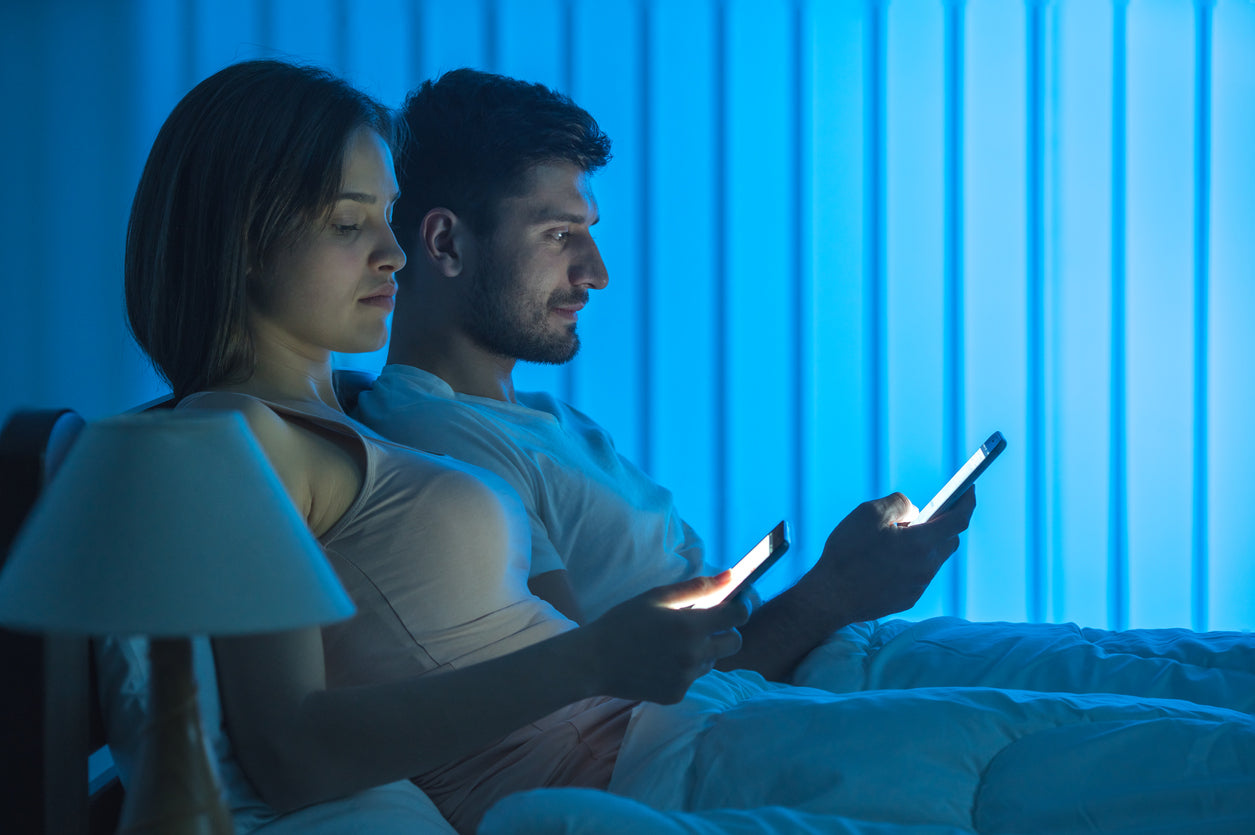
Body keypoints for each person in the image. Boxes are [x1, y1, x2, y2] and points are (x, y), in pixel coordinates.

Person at [122, 60, 1255, 835]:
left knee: (1153, 731)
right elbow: (290, 752)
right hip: (651, 759)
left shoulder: (343, 417)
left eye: (383, 217)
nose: (389, 253)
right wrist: (593, 658)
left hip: (696, 726)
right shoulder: (231, 438)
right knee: (1162, 761)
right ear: (245, 226)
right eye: (346, 222)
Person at [355, 68, 1255, 713]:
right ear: (443, 245)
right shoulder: (442, 444)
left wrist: (815, 595)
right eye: (560, 234)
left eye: (589, 231)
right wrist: (836, 588)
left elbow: (696, 632)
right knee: (1169, 723)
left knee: (1173, 667)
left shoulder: (550, 419)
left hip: (815, 660)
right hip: (772, 698)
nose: (594, 271)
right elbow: (602, 703)